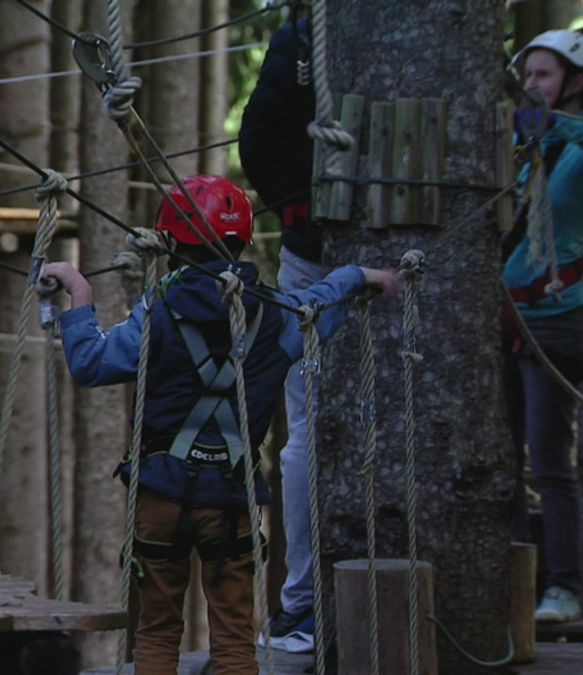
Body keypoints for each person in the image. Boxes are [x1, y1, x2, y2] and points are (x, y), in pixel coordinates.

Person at [43, 175, 399, 675]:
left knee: (157, 632)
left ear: (170, 242)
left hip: (160, 495)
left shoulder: (158, 314)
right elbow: (318, 302)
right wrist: (359, 274)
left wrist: (79, 290)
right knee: (234, 638)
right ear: (243, 241)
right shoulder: (276, 317)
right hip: (231, 498)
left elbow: (91, 364)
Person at [503, 30, 583, 623]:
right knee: (498, 457)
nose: (532, 84)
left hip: (556, 321)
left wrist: (553, 122)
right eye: (527, 75)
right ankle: (508, 580)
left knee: (550, 461)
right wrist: (530, 129)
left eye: (545, 75)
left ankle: (563, 587)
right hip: (504, 320)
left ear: (574, 82)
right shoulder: (520, 144)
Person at [237, 17, 320, 652]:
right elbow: (262, 137)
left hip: (308, 244)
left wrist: (296, 206)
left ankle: (302, 603)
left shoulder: (304, 33)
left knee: (304, 441)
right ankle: (301, 601)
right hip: (311, 248)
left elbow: (260, 138)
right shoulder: (305, 35)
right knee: (302, 443)